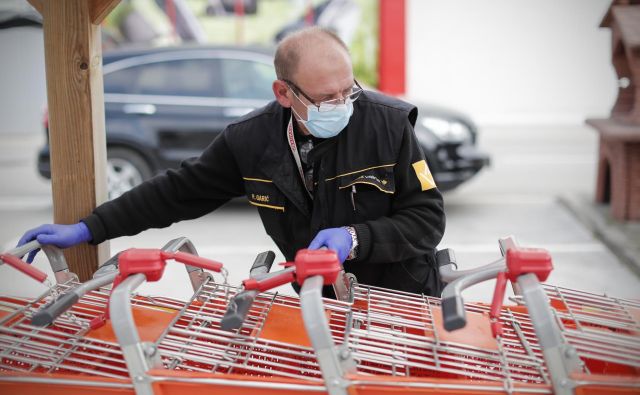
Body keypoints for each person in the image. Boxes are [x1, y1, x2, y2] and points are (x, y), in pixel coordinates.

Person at [18, 27, 446, 296]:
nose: (342, 104)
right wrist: (91, 227)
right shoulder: (252, 141)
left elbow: (426, 221)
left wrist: (354, 237)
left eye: (347, 90)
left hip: (404, 301)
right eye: (325, 98)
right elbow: (178, 193)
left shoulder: (388, 126)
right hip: (322, 306)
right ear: (284, 93)